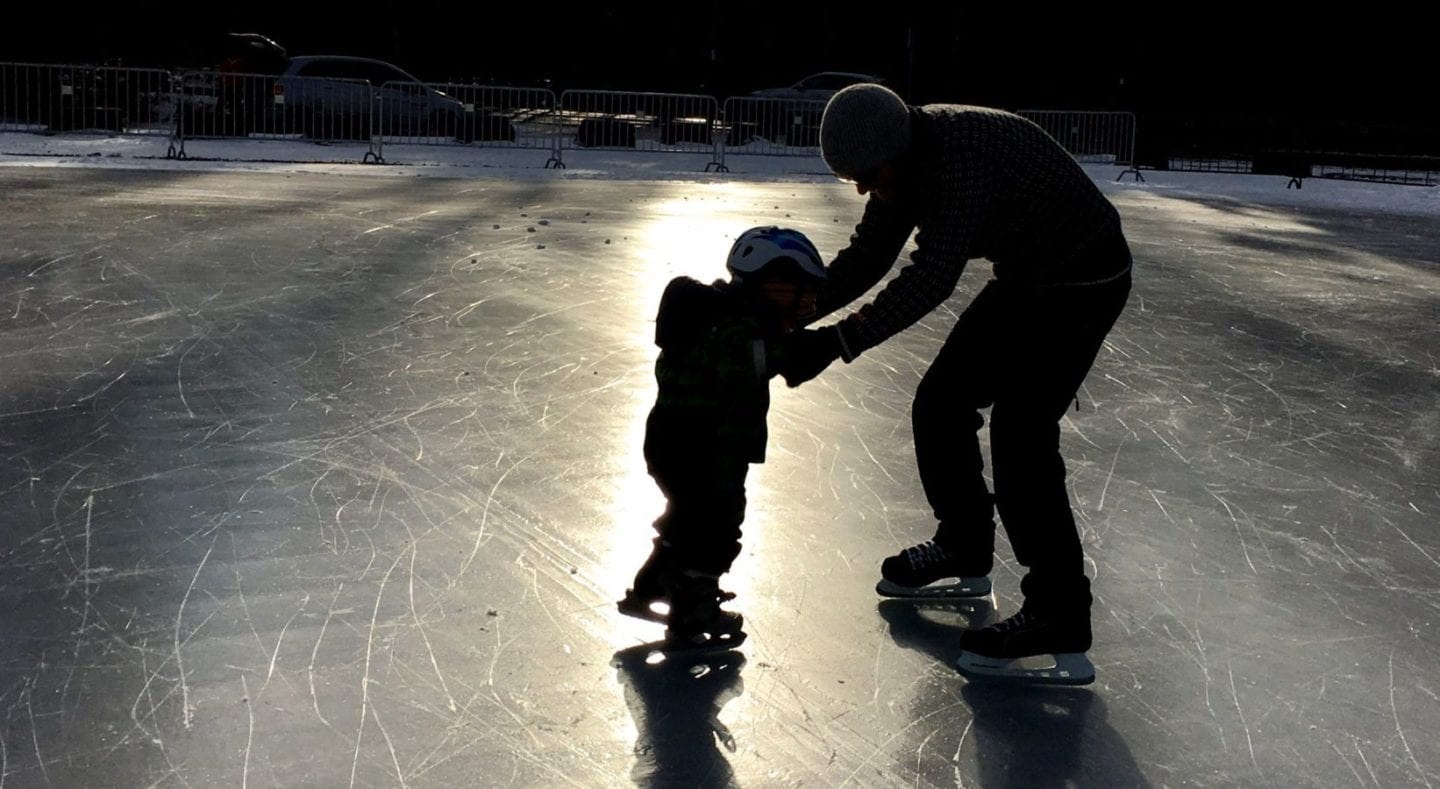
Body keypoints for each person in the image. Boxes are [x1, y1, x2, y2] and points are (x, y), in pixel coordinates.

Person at [778, 83, 1132, 684]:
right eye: (852, 180)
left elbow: (932, 277)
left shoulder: (959, 153)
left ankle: (1059, 613)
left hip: (1085, 279)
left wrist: (837, 342)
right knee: (940, 402)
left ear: (895, 149)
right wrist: (788, 313)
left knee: (1022, 434)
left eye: (867, 175)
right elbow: (868, 256)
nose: (864, 189)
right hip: (1026, 276)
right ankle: (965, 544)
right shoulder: (900, 160)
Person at [619, 226, 827, 651]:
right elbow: (744, 377)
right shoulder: (739, 332)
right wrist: (809, 350)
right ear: (764, 286)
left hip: (670, 440)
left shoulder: (714, 318)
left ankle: (653, 585)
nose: (801, 307)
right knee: (718, 525)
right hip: (706, 446)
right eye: (794, 294)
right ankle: (694, 606)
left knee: (686, 517)